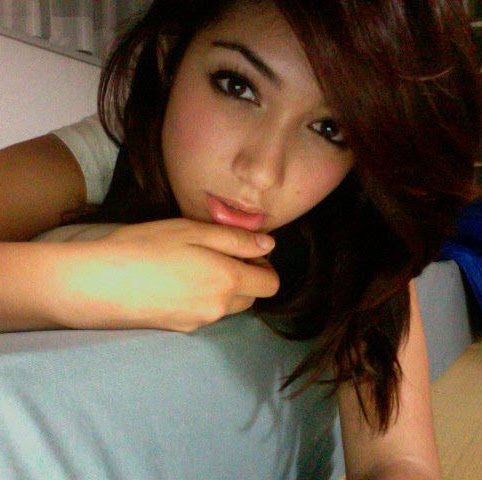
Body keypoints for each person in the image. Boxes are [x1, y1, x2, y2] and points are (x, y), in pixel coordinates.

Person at [0, 0, 480, 478]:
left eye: (330, 129)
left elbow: (397, 459)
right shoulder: (104, 153)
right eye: (238, 86)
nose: (262, 171)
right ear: (170, 55)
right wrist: (96, 280)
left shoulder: (362, 237)